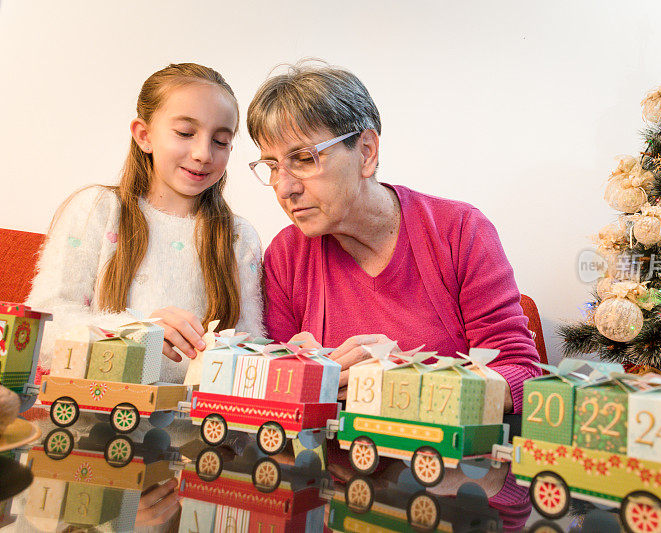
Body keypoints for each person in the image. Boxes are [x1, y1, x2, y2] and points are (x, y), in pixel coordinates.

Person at [247, 62, 540, 528]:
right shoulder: (286, 254)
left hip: (454, 496)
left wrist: (403, 378)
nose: (284, 187)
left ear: (365, 151)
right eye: (271, 165)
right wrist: (298, 373)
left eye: (303, 158)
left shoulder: (458, 231)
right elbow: (279, 408)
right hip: (339, 496)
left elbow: (522, 373)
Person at [28, 63, 264, 384]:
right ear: (144, 135)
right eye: (185, 133)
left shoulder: (239, 237)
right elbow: (41, 328)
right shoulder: (96, 209)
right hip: (97, 418)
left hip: (196, 428)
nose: (203, 153)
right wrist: (136, 332)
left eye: (220, 141)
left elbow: (248, 348)